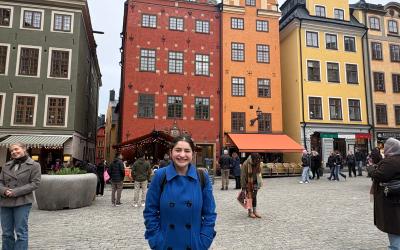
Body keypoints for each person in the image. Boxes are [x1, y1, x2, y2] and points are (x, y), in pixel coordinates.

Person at [144, 135, 217, 249]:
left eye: (187, 151)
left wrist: (204, 241)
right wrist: (157, 241)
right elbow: (150, 212)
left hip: (194, 245)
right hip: (166, 244)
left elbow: (210, 213)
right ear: (171, 152)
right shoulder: (160, 176)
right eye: (178, 150)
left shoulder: (202, 177)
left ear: (193, 154)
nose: (182, 155)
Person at [0, 142, 41, 250]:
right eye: (12, 151)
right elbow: (0, 182)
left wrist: (15, 191)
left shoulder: (34, 165)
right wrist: (4, 190)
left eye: (16, 149)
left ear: (24, 149)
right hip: (5, 202)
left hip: (22, 202)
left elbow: (35, 183)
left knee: (21, 232)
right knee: (6, 233)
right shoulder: (6, 165)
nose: (14, 152)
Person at [369, 138, 400, 249]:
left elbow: (380, 175)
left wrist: (371, 168)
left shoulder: (392, 161)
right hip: (395, 199)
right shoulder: (393, 159)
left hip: (392, 201)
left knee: (394, 227)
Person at [241, 153, 262, 218]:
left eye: (258, 160)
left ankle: (255, 211)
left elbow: (259, 174)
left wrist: (260, 182)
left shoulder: (258, 163)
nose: (257, 161)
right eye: (256, 160)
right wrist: (243, 187)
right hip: (248, 182)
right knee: (249, 197)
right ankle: (250, 212)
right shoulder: (246, 164)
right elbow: (243, 176)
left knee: (254, 196)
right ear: (252, 159)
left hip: (256, 182)